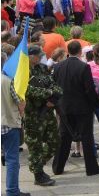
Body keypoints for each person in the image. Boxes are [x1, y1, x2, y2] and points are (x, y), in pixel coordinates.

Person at [52, 41, 99, 176]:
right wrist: (95, 104)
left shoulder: (58, 67)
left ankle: (58, 167)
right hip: (82, 108)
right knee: (87, 137)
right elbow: (89, 89)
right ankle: (92, 169)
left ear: (68, 51)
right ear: (80, 52)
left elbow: (54, 86)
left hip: (64, 107)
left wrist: (57, 103)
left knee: (64, 137)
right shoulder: (83, 67)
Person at [24, 45, 61, 186]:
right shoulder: (23, 71)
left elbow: (53, 85)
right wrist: (49, 94)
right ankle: (38, 174)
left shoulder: (42, 68)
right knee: (35, 146)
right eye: (38, 55)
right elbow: (27, 90)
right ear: (29, 56)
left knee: (55, 142)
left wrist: (53, 98)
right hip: (33, 114)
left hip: (47, 112)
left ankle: (38, 163)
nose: (40, 57)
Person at [1, 51, 30, 196]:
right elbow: (20, 103)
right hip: (7, 124)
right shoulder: (7, 80)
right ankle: (12, 191)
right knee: (12, 159)